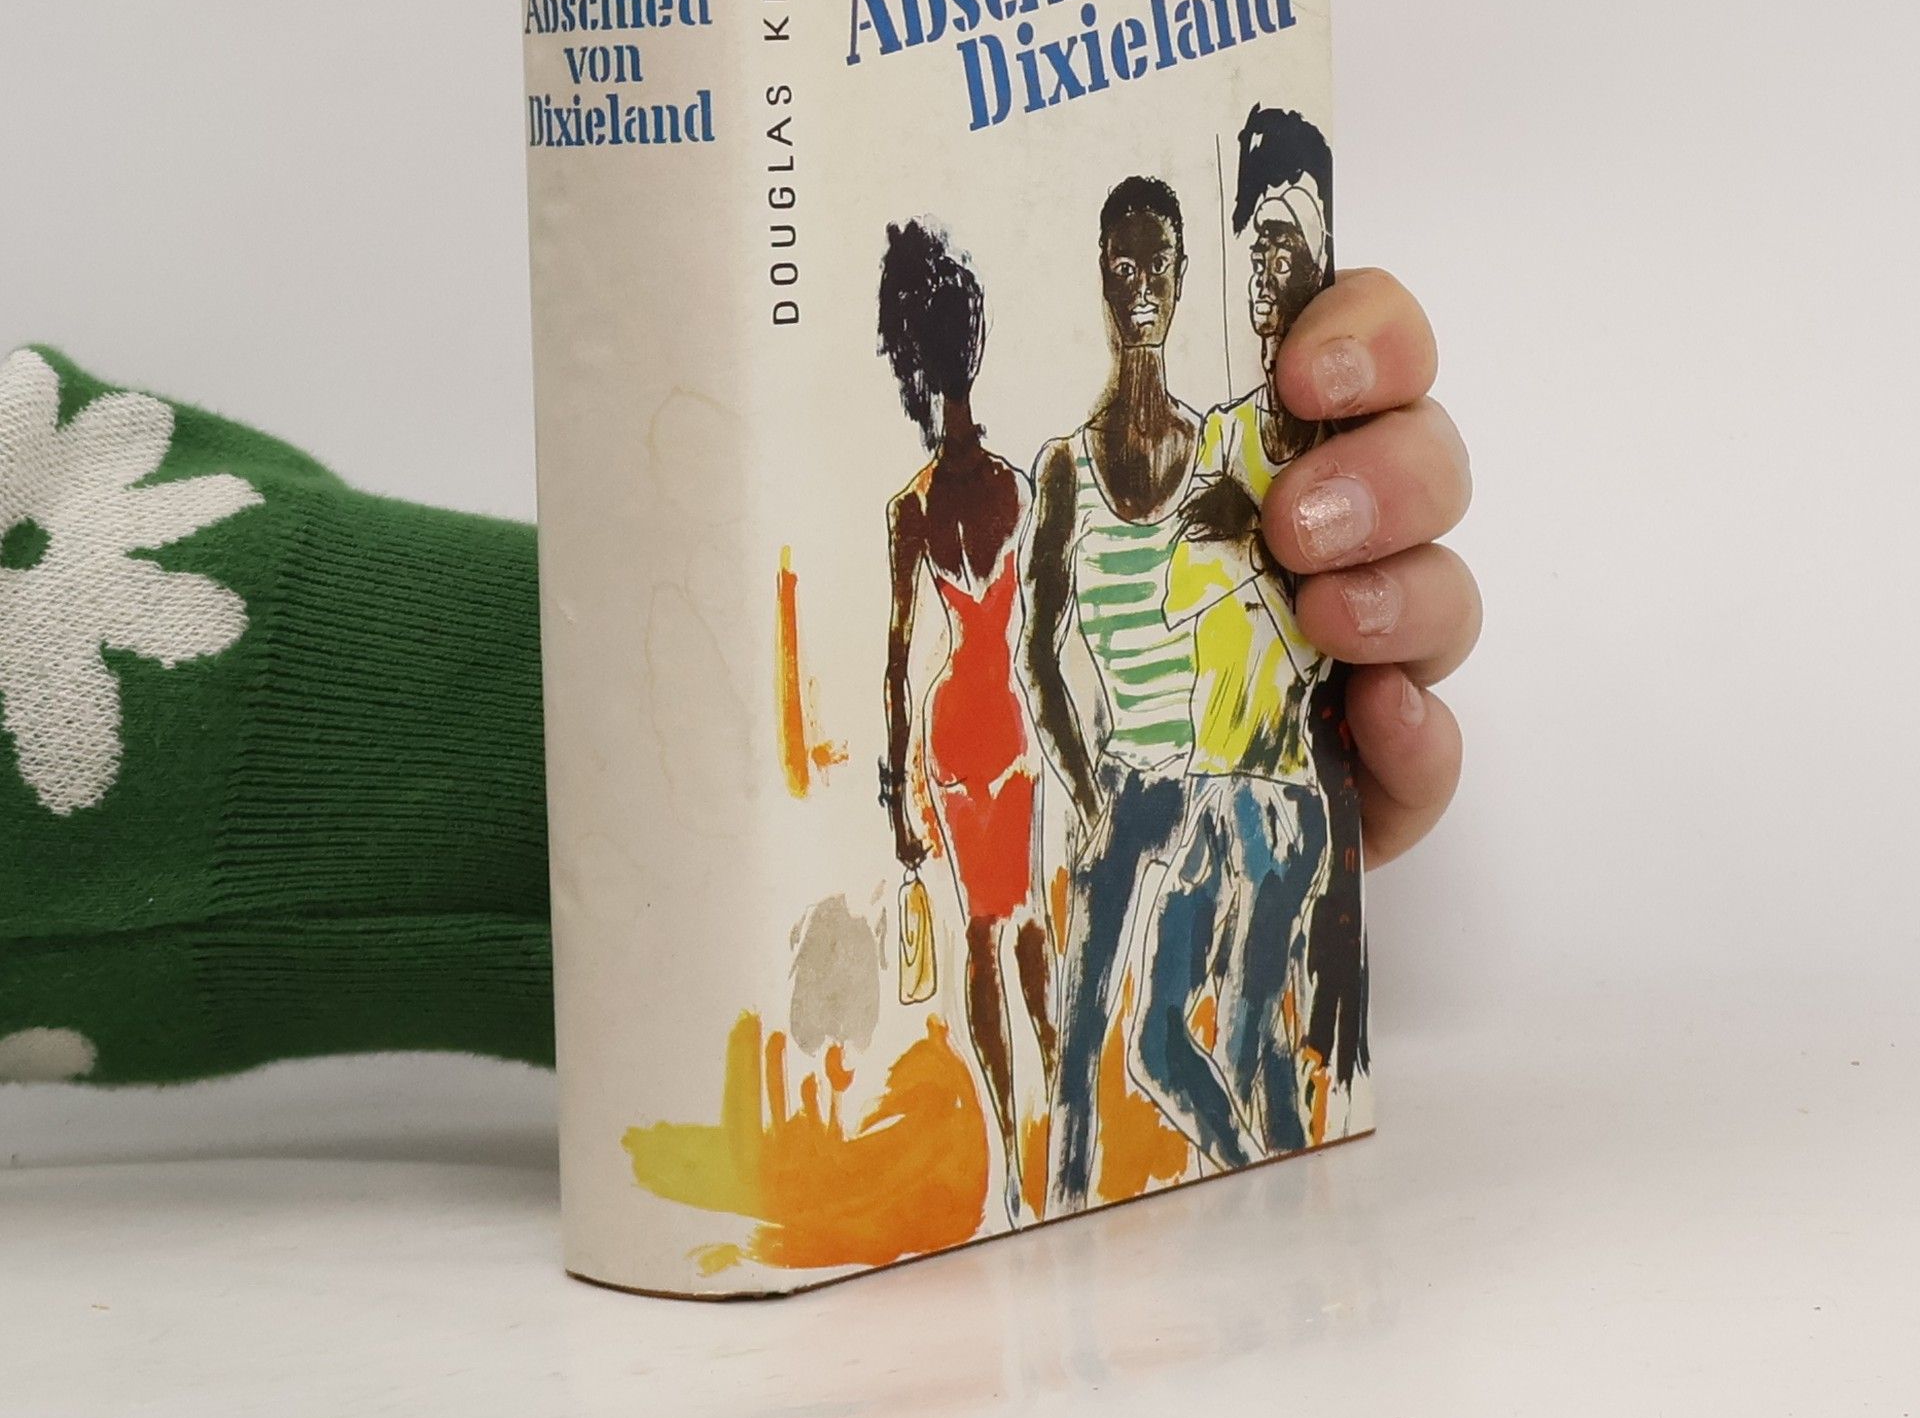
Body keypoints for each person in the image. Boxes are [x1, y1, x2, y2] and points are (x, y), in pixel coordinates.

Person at [0, 280, 1474, 1090]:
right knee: (1008, 980)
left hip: (1056, 778)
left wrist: (1228, 715)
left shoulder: (1079, 476)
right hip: (957, 769)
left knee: (1038, 977)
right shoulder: (977, 499)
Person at [1132, 106, 1342, 1165]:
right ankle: (1253, 1176)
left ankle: (1289, 1200)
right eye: (1255, 242)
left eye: (1284, 244)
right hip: (1215, 784)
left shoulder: (1330, 457)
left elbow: (1314, 638)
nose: (1263, 263)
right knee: (1158, 1041)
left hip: (1281, 794)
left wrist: (1248, 539)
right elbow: (1177, 592)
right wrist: (1260, 556)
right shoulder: (1221, 435)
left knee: (1254, 1041)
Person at [1022, 176, 1204, 1214]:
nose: (1141, 287)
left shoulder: (1214, 456)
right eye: (1122, 267)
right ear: (1102, 279)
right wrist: (1089, 794)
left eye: (1157, 266)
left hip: (1215, 782)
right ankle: (1067, 1214)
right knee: (1082, 1037)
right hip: (1124, 787)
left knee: (1182, 1033)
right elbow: (1038, 655)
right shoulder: (1066, 471)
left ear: (1181, 278)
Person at [877, 221, 1057, 1222]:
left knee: (1001, 931)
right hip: (987, 731)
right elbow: (906, 659)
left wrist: (897, 790)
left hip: (973, 733)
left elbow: (899, 663)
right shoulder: (1006, 489)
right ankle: (1035, 1140)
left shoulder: (929, 505)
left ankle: (1035, 1145)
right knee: (1009, 928)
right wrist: (898, 793)